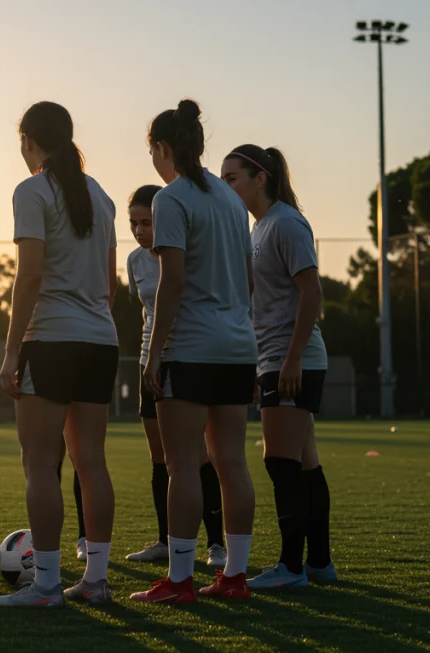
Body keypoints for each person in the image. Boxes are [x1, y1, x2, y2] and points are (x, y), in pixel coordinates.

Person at [129, 99, 258, 604]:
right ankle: (235, 577)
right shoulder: (230, 200)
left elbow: (173, 281)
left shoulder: (171, 199)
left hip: (191, 347)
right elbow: (248, 279)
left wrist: (155, 352)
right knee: (233, 464)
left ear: (162, 148)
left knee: (183, 466)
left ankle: (179, 581)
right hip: (236, 345)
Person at [0, 101, 119, 607]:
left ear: (28, 141)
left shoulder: (33, 189)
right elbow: (109, 284)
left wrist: (10, 352)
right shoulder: (102, 194)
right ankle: (96, 580)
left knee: (41, 465)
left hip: (51, 340)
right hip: (100, 340)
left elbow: (30, 276)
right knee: (92, 463)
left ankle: (45, 586)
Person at [221, 144, 336, 588]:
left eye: (233, 178)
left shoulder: (285, 222)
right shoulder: (259, 229)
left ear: (260, 178)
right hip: (273, 359)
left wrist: (290, 359)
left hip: (294, 358)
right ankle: (319, 563)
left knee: (281, 461)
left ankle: (290, 567)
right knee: (305, 463)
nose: (228, 187)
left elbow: (312, 293)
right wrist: (258, 365)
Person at [123, 185, 227, 568]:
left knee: (197, 455)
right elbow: (146, 312)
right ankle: (166, 541)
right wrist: (150, 356)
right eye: (133, 223)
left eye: (146, 222)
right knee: (160, 456)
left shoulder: (184, 253)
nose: (139, 231)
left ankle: (216, 544)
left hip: (185, 357)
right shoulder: (135, 261)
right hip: (149, 361)